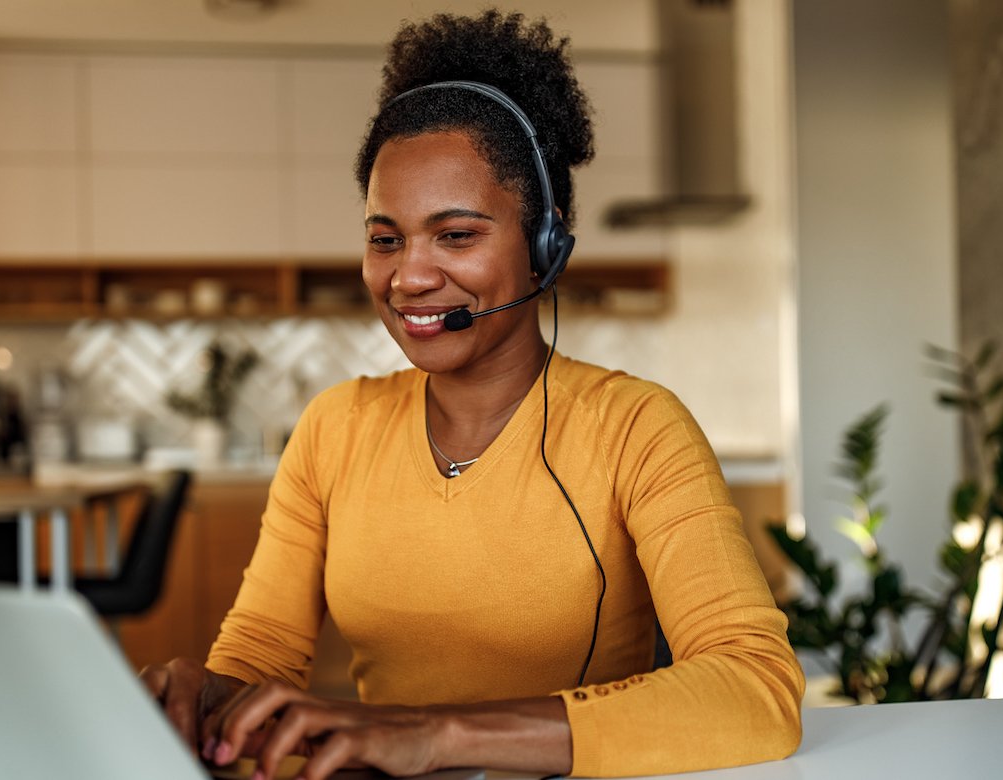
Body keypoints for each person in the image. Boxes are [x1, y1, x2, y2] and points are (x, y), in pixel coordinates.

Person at [141, 10, 804, 780]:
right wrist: (206, 698)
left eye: (455, 235)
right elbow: (260, 658)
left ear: (546, 243)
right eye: (385, 239)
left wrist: (435, 734)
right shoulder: (334, 428)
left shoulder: (636, 428)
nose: (410, 277)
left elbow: (754, 688)